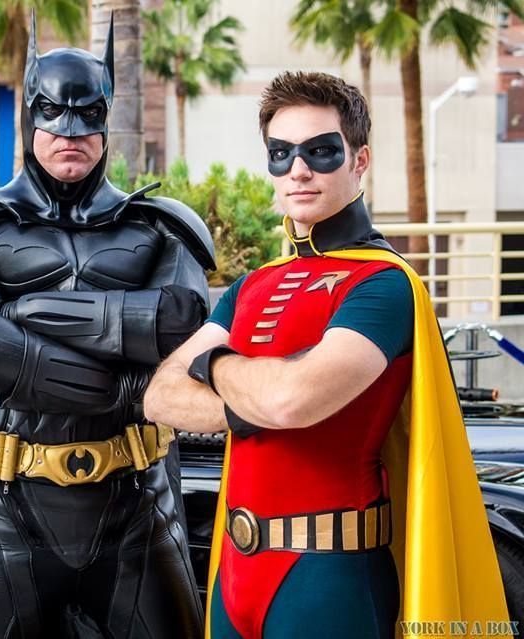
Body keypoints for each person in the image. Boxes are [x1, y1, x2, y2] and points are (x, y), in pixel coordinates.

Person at [144, 71, 509, 639]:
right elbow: (161, 394)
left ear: (359, 160)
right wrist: (249, 402)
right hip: (235, 575)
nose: (298, 169)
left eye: (320, 150)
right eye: (281, 153)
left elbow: (295, 401)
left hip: (329, 576)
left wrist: (214, 366)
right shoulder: (252, 286)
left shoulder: (385, 285)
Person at [0, 15, 215, 639]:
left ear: (107, 118)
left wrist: (21, 316)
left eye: (87, 115)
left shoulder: (162, 225)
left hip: (134, 508)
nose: (70, 132)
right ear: (31, 116)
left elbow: (180, 326)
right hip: (2, 512)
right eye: (53, 114)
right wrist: (123, 384)